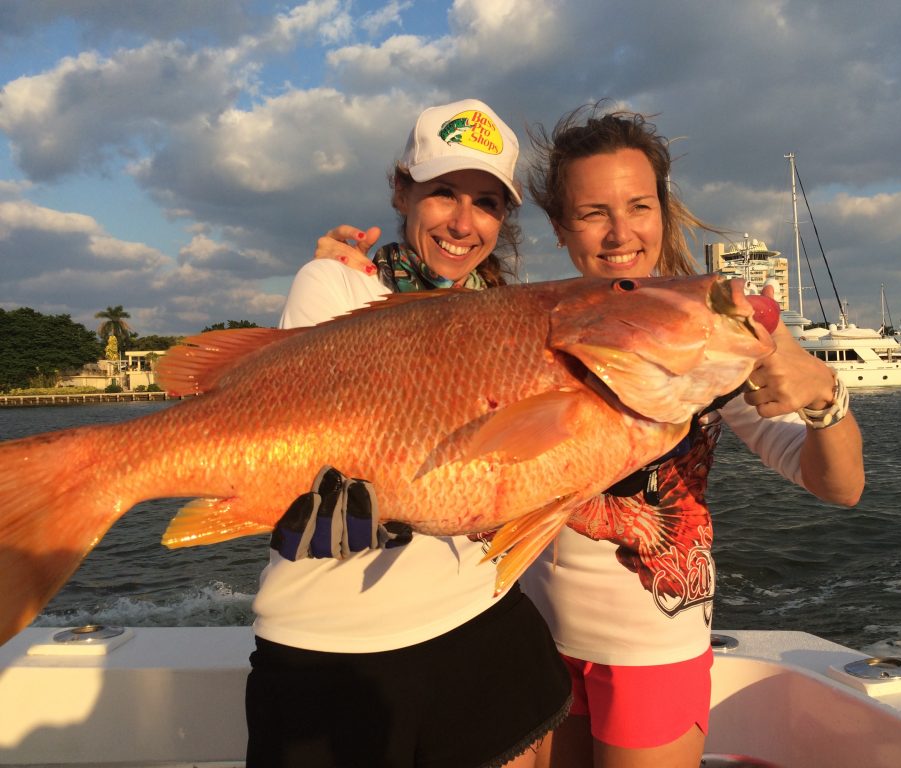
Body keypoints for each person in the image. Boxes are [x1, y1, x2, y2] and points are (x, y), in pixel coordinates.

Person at [314, 105, 865, 768]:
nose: (620, 232)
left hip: (650, 650)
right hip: (528, 643)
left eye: (638, 205)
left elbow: (840, 486)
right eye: (593, 212)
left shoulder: (711, 331)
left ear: (663, 209)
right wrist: (351, 280)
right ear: (559, 225)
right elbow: (426, 356)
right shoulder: (527, 317)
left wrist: (824, 399)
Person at [246, 99, 571, 768]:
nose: (463, 221)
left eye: (486, 203)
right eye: (443, 193)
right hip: (329, 649)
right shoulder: (335, 282)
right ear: (401, 191)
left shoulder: (512, 317)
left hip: (483, 628)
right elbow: (292, 440)